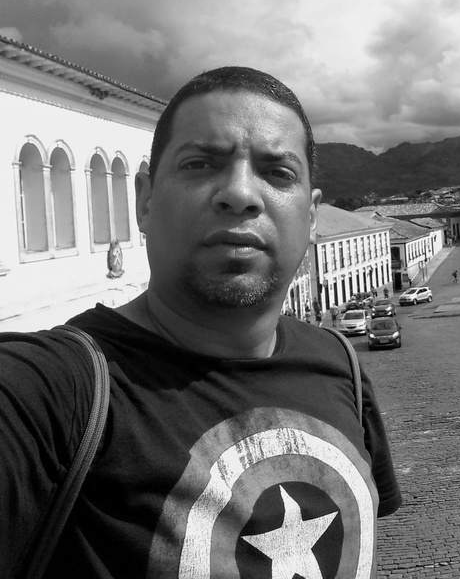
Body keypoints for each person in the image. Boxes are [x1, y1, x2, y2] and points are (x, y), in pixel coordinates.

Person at [0, 67, 401, 578]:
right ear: (145, 199)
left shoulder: (341, 364)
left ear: (312, 215)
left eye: (278, 172)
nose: (240, 193)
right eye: (200, 164)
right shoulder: (53, 392)